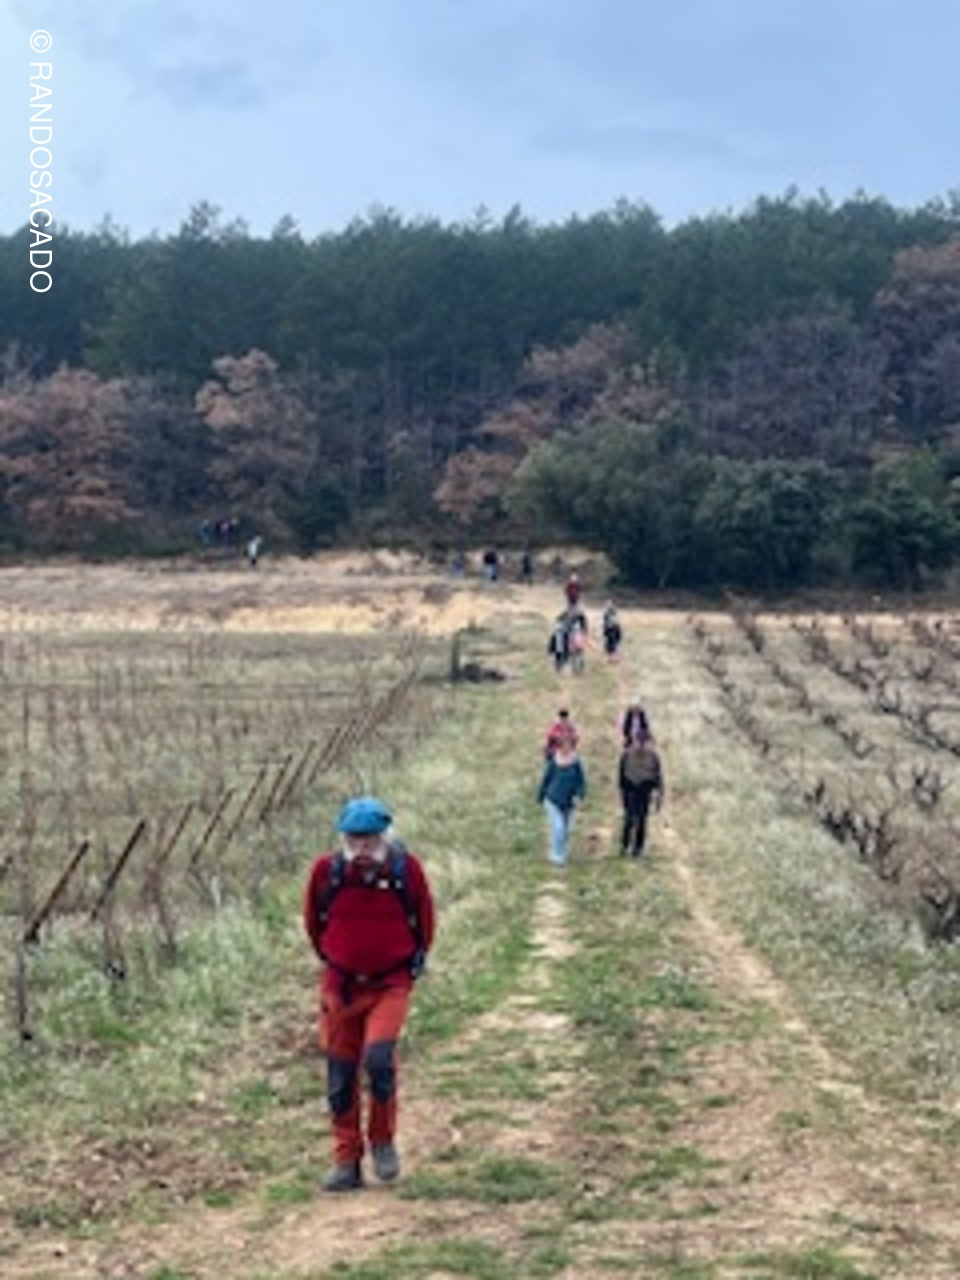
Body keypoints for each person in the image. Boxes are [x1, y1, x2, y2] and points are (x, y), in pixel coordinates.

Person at [303, 796, 436, 1192]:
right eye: (354, 840)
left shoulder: (406, 870)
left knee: (379, 1060)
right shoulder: (326, 872)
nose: (361, 848)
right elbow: (313, 925)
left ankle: (382, 1142)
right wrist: (337, 960)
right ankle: (346, 1161)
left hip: (390, 984)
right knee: (340, 1075)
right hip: (341, 987)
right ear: (343, 839)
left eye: (369, 840)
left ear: (384, 837)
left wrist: (409, 964)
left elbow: (425, 922)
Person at [536, 725, 586, 867]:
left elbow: (581, 781)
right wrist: (540, 796)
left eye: (568, 745)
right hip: (553, 800)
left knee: (566, 830)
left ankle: (562, 852)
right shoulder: (554, 761)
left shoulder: (576, 762)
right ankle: (556, 856)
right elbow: (546, 779)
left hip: (569, 802)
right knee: (558, 827)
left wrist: (580, 794)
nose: (566, 748)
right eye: (563, 745)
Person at [617, 736, 664, 857]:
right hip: (630, 788)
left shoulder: (653, 757)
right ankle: (625, 844)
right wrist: (621, 791)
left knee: (642, 818)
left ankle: (638, 847)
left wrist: (659, 795)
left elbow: (658, 776)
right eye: (639, 742)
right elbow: (621, 774)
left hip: (644, 790)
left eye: (644, 742)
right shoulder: (627, 755)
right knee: (629, 818)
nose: (641, 746)